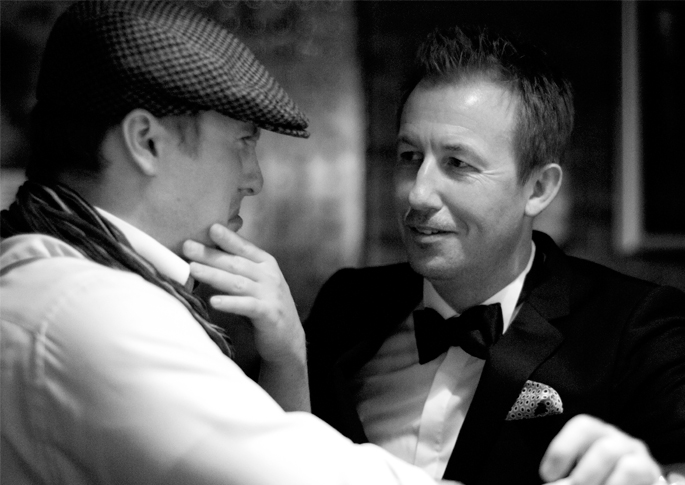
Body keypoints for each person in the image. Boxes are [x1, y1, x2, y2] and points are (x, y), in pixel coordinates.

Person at [0, 2, 452, 484]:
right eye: (242, 142)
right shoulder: (95, 311)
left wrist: (287, 359)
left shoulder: (52, 273)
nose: (254, 180)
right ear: (146, 141)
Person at [305, 25, 685, 485]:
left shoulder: (637, 328)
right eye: (409, 156)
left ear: (538, 188)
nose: (418, 194)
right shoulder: (346, 305)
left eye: (458, 163)